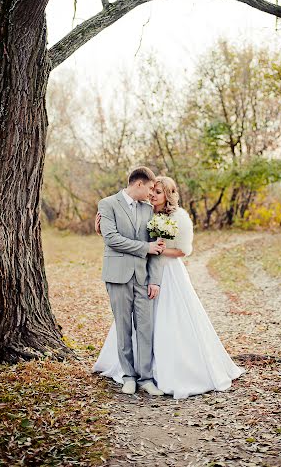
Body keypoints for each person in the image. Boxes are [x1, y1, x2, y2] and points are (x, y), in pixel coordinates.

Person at [93, 175, 245, 399]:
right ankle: (132, 373)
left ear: (168, 195)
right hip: (140, 272)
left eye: (158, 192)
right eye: (152, 190)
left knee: (165, 322)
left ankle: (164, 372)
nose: (152, 194)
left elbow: (184, 250)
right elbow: (125, 235)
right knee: (135, 323)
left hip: (168, 273)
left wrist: (158, 250)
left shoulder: (178, 217)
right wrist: (102, 229)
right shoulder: (143, 210)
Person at [96, 166, 166, 396]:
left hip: (143, 278)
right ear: (138, 184)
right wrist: (145, 247)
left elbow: (157, 248)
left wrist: (155, 280)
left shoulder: (149, 211)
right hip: (117, 276)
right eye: (149, 188)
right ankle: (128, 376)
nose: (151, 193)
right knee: (123, 328)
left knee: (145, 328)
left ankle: (146, 378)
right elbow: (112, 239)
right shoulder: (107, 204)